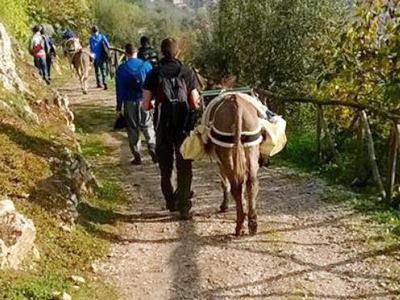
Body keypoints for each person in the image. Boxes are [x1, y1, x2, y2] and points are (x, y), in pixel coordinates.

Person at [142, 38, 201, 219]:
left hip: (163, 126)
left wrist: (156, 104)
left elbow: (145, 105)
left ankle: (170, 201)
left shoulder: (154, 73)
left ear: (161, 52)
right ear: (178, 53)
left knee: (165, 168)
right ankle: (184, 207)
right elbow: (194, 103)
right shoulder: (187, 72)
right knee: (184, 166)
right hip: (183, 126)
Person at [116, 43, 157, 165]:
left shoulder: (122, 69)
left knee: (132, 129)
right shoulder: (146, 65)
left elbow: (119, 89)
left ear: (126, 53)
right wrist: (153, 99)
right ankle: (152, 148)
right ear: (136, 52)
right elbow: (153, 84)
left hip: (129, 101)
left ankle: (137, 155)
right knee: (148, 125)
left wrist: (119, 106)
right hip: (145, 100)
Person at [89, 25, 110, 89]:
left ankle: (99, 84)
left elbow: (91, 48)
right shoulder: (102, 36)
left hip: (95, 57)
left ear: (92, 31)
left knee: (97, 71)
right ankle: (105, 82)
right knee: (103, 70)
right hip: (102, 56)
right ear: (98, 30)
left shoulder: (91, 38)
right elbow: (108, 45)